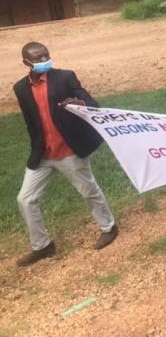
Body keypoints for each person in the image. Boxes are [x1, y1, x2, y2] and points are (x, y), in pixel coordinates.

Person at [13, 42, 117, 266]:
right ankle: (43, 246)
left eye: (46, 55)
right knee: (25, 199)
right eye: (38, 58)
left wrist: (77, 103)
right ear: (26, 63)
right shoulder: (20, 88)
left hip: (69, 150)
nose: (44, 61)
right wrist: (37, 148)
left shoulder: (65, 77)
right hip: (43, 155)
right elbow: (31, 122)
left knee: (88, 191)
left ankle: (109, 227)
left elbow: (92, 104)